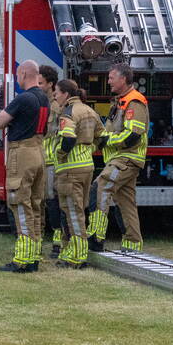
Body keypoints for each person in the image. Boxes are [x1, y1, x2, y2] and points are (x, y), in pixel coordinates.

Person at [0, 59, 49, 272]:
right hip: (39, 151)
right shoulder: (44, 98)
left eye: (18, 75)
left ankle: (22, 259)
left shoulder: (23, 98)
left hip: (22, 153)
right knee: (35, 205)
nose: (17, 78)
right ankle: (33, 255)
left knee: (20, 204)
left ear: (24, 74)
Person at [91, 63, 148, 252]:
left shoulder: (134, 101)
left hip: (127, 158)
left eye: (111, 78)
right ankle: (132, 246)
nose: (108, 82)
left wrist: (108, 140)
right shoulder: (119, 101)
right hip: (121, 158)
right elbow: (108, 131)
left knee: (101, 186)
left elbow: (133, 136)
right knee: (126, 202)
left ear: (123, 79)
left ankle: (96, 237)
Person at [53, 79, 103, 268]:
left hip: (70, 169)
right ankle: (73, 251)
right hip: (87, 166)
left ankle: (78, 256)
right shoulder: (90, 110)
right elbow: (102, 137)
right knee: (80, 209)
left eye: (57, 92)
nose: (55, 96)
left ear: (66, 93)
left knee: (72, 212)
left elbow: (67, 138)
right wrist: (89, 149)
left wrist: (60, 154)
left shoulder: (68, 112)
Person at [37, 65, 63, 258]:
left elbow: (49, 132)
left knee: (53, 201)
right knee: (44, 201)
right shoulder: (44, 102)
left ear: (50, 84)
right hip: (43, 159)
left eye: (40, 83)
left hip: (52, 160)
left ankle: (57, 240)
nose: (38, 86)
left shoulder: (54, 106)